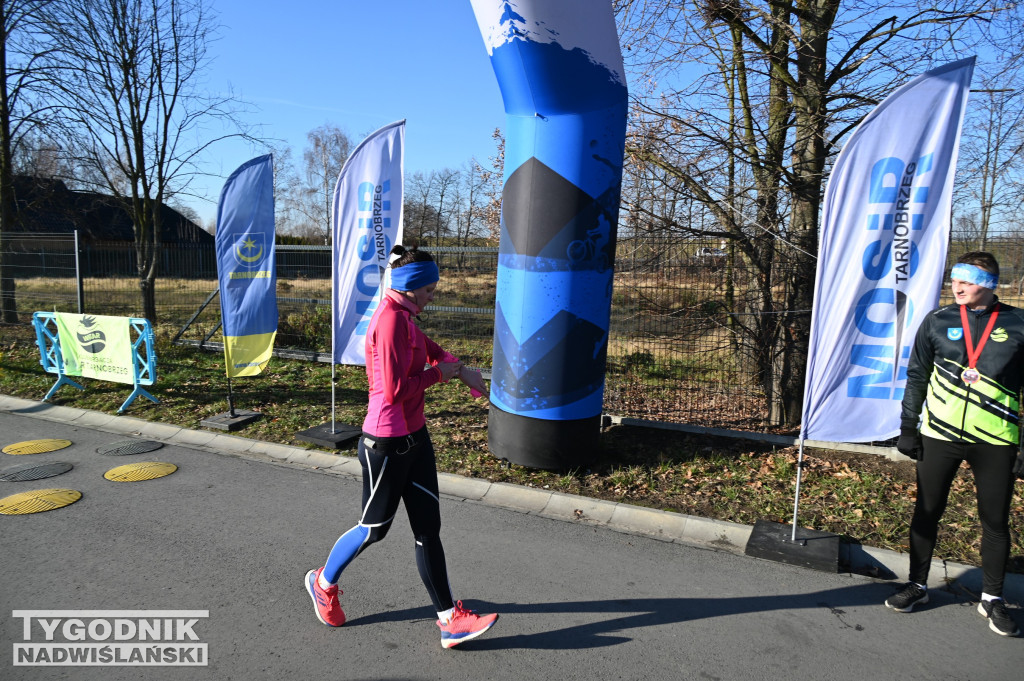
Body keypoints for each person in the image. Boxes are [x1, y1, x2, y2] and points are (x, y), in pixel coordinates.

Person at [304, 245, 497, 649]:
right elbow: (392, 392)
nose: (433, 295)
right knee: (374, 530)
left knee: (429, 529)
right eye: (429, 288)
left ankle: (450, 620)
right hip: (386, 444)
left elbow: (433, 351)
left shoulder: (407, 318)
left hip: (416, 439)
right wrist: (439, 376)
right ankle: (322, 582)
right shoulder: (390, 322)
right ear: (410, 288)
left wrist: (461, 370)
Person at [887, 251, 1024, 637]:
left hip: (996, 439)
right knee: (927, 511)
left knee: (995, 521)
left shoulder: (1017, 324)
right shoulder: (938, 321)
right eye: (954, 279)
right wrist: (908, 427)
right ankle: (917, 584)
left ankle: (992, 599)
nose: (957, 286)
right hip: (939, 435)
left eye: (967, 280)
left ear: (990, 284)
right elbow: (917, 376)